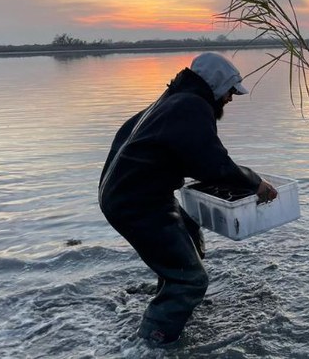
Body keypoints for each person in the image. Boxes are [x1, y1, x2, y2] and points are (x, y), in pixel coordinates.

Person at [98, 52, 278, 347]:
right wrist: (256, 183)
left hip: (132, 193)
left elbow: (191, 158)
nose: (230, 100)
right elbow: (212, 164)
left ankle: (174, 307)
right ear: (217, 87)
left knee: (190, 235)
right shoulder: (191, 105)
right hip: (137, 202)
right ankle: (154, 344)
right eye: (230, 92)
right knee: (192, 280)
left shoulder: (173, 100)